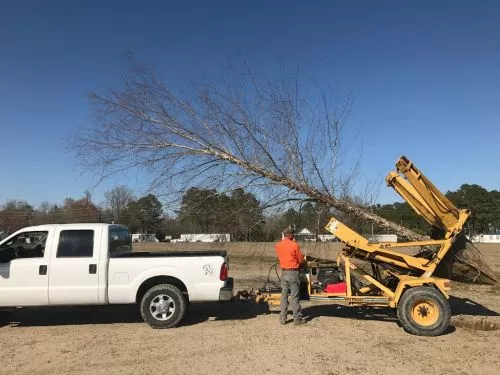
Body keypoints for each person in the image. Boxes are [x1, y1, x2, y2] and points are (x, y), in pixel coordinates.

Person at [275, 227, 306, 326]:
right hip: (293, 273)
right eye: (293, 234)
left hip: (284, 273)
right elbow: (300, 260)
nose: (294, 236)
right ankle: (297, 319)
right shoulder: (294, 245)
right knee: (294, 296)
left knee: (284, 296)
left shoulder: (278, 245)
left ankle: (283, 319)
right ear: (289, 234)